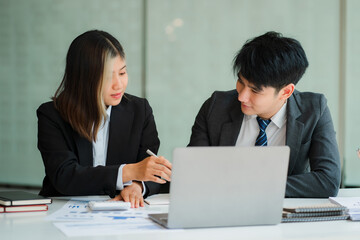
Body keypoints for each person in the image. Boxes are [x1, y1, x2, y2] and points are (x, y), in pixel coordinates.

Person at [188, 31, 341, 198]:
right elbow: (193, 172)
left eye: (254, 90)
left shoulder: (314, 109)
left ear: (286, 92)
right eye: (241, 82)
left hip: (283, 215)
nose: (241, 96)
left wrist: (253, 185)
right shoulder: (216, 107)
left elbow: (328, 181)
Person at [37, 30, 172, 208]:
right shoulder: (52, 115)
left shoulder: (140, 111)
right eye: (108, 76)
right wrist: (130, 171)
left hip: (122, 214)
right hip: (61, 211)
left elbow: (152, 171)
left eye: (122, 73)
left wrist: (138, 185)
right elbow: (65, 176)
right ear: (85, 79)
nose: (118, 85)